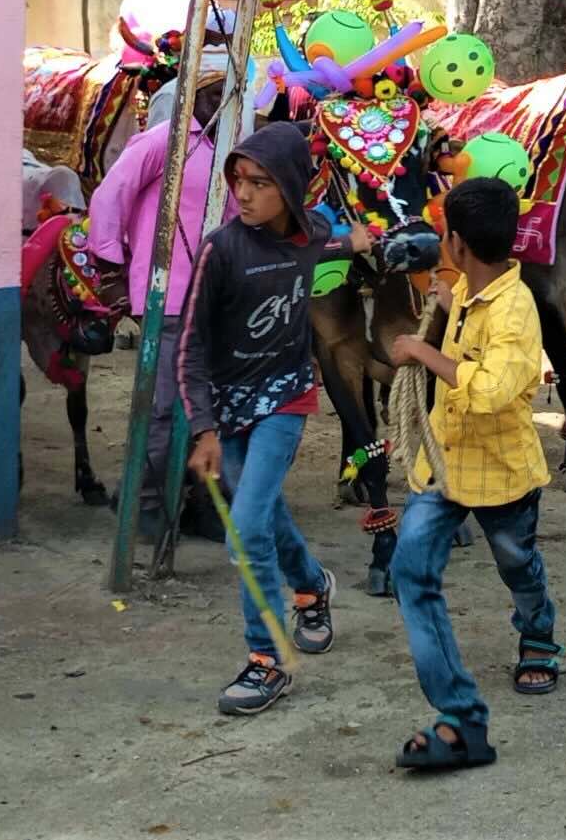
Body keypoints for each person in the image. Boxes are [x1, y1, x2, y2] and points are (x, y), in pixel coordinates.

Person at [179, 121, 369, 716]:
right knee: (264, 515)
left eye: (259, 183)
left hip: (285, 398)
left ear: (289, 187)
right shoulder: (220, 249)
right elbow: (188, 346)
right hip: (227, 411)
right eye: (238, 181)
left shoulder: (312, 232)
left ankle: (267, 661)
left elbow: (327, 245)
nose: (243, 193)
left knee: (247, 526)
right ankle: (313, 587)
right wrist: (204, 428)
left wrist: (361, 242)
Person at [384, 176, 560, 771]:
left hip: (502, 471)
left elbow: (489, 389)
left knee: (517, 563)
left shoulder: (515, 308)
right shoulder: (464, 290)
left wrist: (421, 351)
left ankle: (537, 635)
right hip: (444, 461)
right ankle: (461, 719)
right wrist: (439, 302)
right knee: (412, 569)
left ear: (456, 241)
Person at [84, 72, 230, 535]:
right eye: (210, 93)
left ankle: (199, 504)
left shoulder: (227, 146)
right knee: (164, 406)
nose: (217, 102)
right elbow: (110, 198)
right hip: (166, 295)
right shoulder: (159, 142)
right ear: (189, 96)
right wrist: (113, 266)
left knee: (211, 408)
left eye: (225, 94)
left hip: (214, 296)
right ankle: (143, 501)